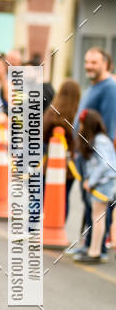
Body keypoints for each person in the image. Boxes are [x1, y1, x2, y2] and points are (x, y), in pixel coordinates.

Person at [72, 48, 116, 259]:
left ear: (106, 64)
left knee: (98, 208)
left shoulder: (109, 89)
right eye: (87, 61)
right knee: (90, 206)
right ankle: (87, 245)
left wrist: (93, 155)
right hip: (86, 157)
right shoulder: (93, 87)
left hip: (95, 160)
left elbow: (106, 126)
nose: (89, 65)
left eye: (94, 62)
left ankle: (97, 249)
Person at [73, 109, 116, 263]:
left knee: (98, 217)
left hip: (103, 184)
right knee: (97, 217)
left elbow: (106, 165)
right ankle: (94, 250)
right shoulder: (100, 139)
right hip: (103, 183)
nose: (81, 127)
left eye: (83, 124)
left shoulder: (100, 141)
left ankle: (95, 251)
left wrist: (90, 182)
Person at [43, 79, 81, 219]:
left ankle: (36, 228)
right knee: (63, 197)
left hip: (51, 164)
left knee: (44, 196)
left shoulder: (52, 113)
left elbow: (43, 134)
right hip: (69, 165)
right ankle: (59, 225)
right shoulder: (78, 116)